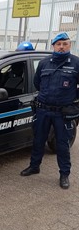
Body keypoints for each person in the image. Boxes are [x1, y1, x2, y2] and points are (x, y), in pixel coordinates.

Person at [20, 32, 79, 189]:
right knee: (38, 140)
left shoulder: (76, 63)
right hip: (43, 110)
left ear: (69, 45)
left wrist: (75, 102)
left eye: (64, 44)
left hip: (62, 113)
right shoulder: (44, 63)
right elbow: (37, 82)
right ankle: (34, 166)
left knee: (62, 144)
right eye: (58, 44)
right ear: (53, 46)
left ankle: (64, 174)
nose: (61, 47)